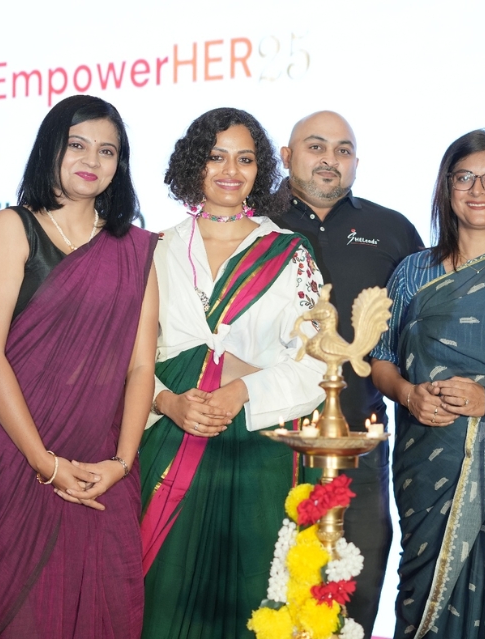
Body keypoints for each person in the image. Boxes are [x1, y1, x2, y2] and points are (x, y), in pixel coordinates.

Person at [0, 94, 158, 639]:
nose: (92, 159)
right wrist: (45, 463)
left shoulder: (136, 249)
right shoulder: (12, 228)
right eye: (77, 144)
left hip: (102, 466)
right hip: (15, 452)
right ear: (51, 148)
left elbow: (141, 366)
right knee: (19, 613)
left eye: (107, 150)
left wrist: (120, 463)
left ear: (120, 165)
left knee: (105, 609)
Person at [137, 107, 327, 639]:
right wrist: (167, 401)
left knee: (251, 602)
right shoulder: (156, 250)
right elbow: (128, 356)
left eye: (245, 159)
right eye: (216, 156)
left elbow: (318, 362)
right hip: (168, 440)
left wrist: (242, 389)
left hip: (255, 453)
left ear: (260, 170)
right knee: (161, 599)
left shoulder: (289, 255)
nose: (230, 170)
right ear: (194, 164)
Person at [369, 130, 485, 639]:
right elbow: (381, 361)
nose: (478, 190)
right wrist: (409, 395)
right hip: (426, 464)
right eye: (464, 177)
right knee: (422, 591)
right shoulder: (413, 271)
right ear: (447, 187)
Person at [273, 110, 425, 629]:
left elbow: (416, 332)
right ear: (286, 156)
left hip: (358, 443)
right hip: (265, 440)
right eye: (316, 147)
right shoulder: (255, 222)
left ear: (357, 161)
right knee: (272, 586)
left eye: (343, 150)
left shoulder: (391, 229)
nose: (330, 160)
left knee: (358, 572)